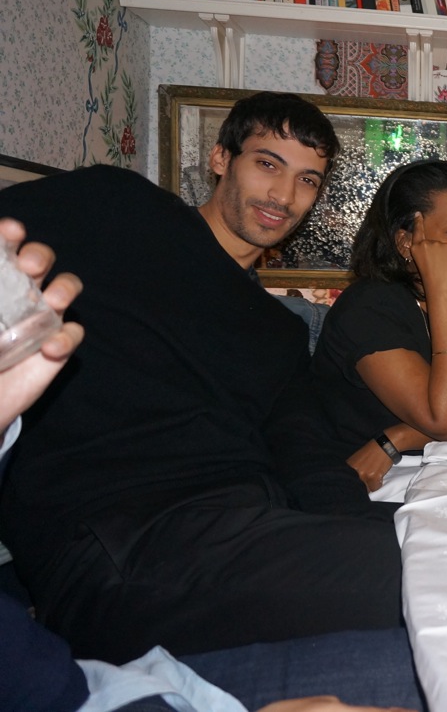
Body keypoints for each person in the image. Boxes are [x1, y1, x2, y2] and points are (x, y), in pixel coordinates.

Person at [0, 92, 407, 669]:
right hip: (119, 541)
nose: (283, 196)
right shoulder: (121, 208)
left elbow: (309, 462)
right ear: (220, 158)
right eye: (267, 164)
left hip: (242, 533)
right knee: (432, 575)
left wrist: (401, 528)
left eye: (307, 180)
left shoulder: (279, 332)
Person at [312, 160, 447, 493]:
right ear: (407, 242)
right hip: (366, 486)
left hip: (445, 466)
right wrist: (440, 291)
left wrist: (399, 437)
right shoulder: (367, 308)